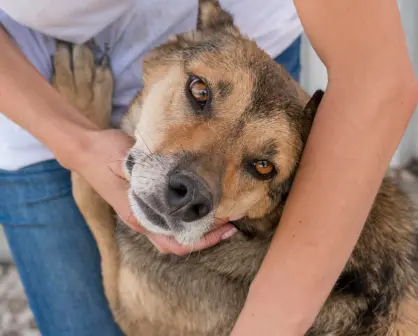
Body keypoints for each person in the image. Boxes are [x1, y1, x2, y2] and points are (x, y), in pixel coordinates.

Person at [1, 0, 417, 335]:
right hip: (26, 62)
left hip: (245, 36)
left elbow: (374, 82)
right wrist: (76, 144)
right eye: (201, 97)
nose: (197, 184)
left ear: (268, 209)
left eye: (260, 166)